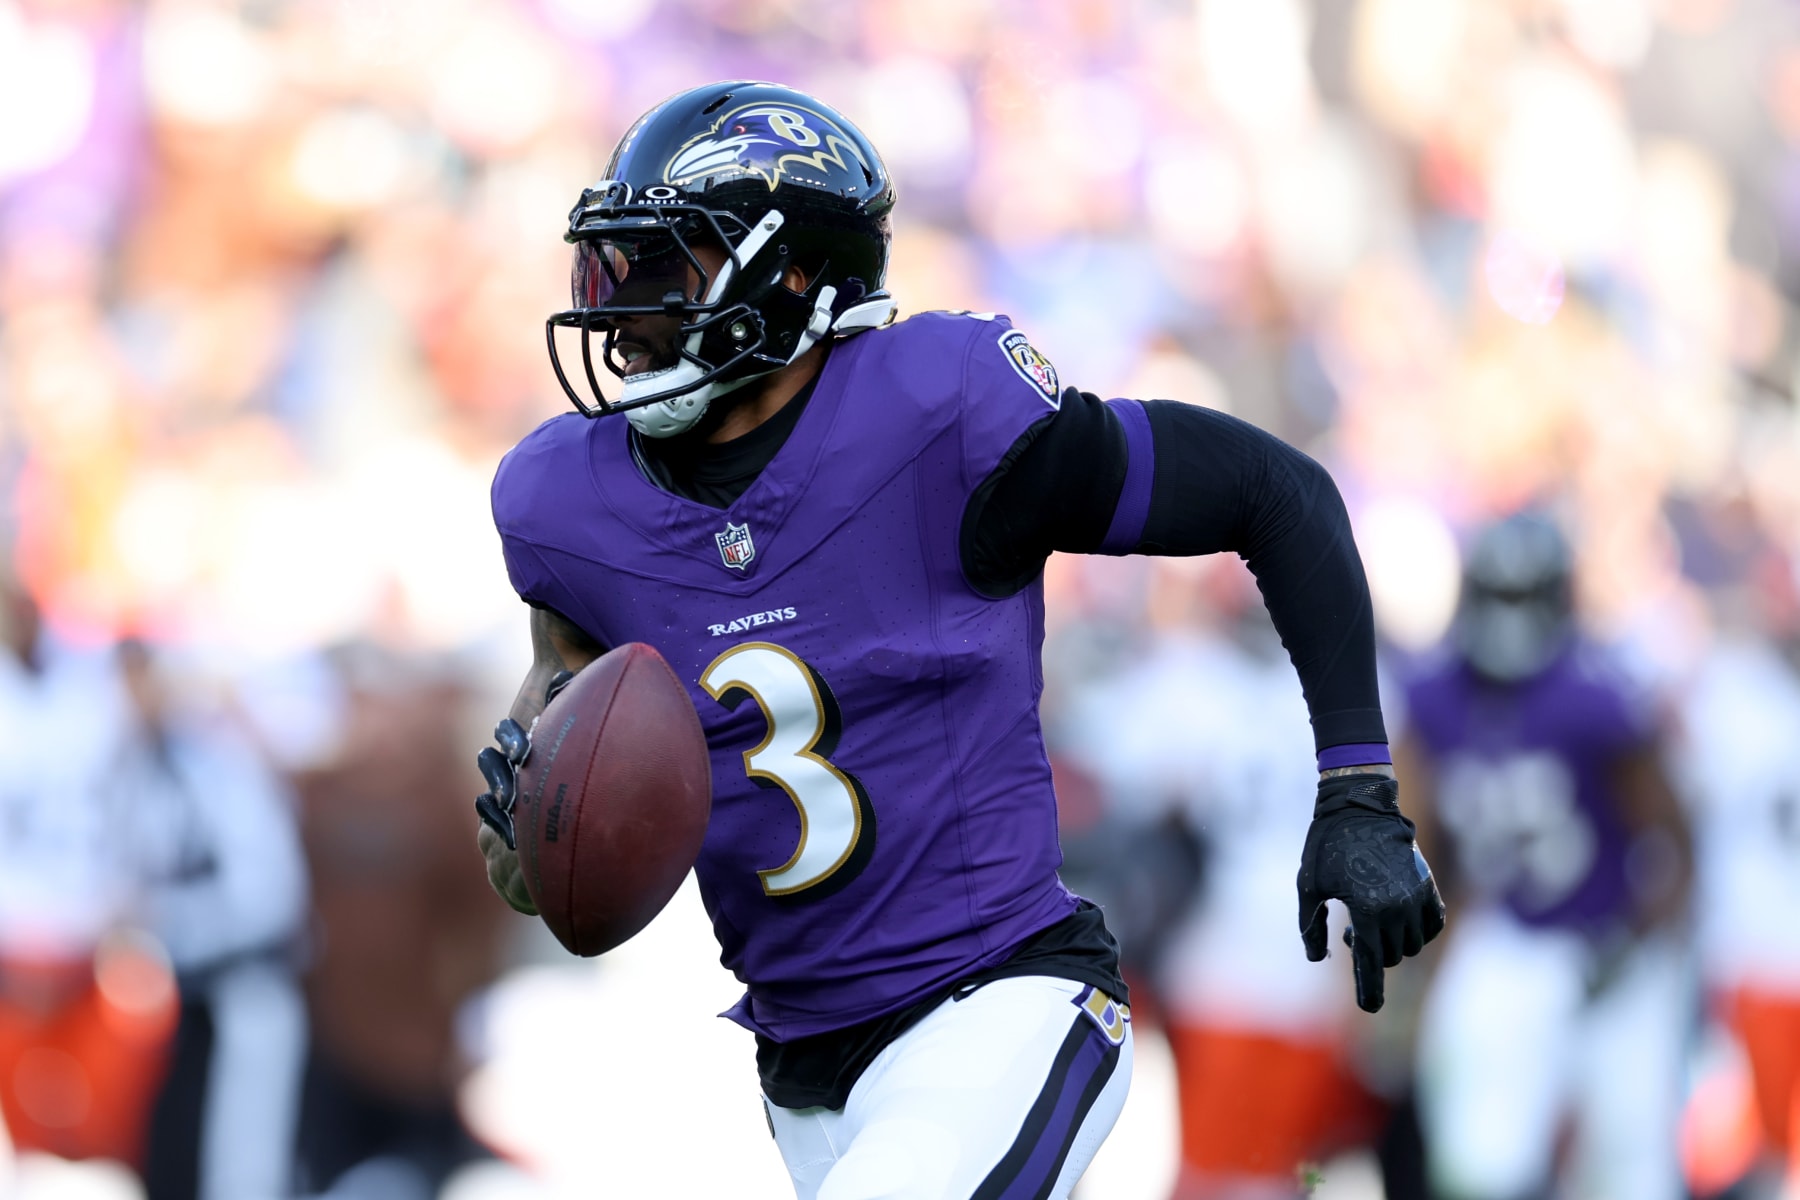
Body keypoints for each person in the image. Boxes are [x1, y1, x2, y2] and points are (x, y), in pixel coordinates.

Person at [473, 80, 1445, 1200]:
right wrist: (524, 831)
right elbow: (533, 859)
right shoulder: (567, 507)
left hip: (1002, 1003)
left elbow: (1276, 493)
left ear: (792, 278)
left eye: (662, 268)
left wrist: (1357, 787)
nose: (623, 313)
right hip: (801, 1074)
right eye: (614, 267)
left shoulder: (939, 413)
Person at [1397, 512, 1694, 1200]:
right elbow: (1415, 845)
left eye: (1524, 595)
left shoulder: (1599, 697)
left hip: (1607, 947)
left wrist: (1643, 939)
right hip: (1504, 943)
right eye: (1500, 594)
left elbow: (1676, 838)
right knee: (1479, 1160)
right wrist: (1413, 964)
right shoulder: (1434, 699)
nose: (1510, 616)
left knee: (1629, 1163)